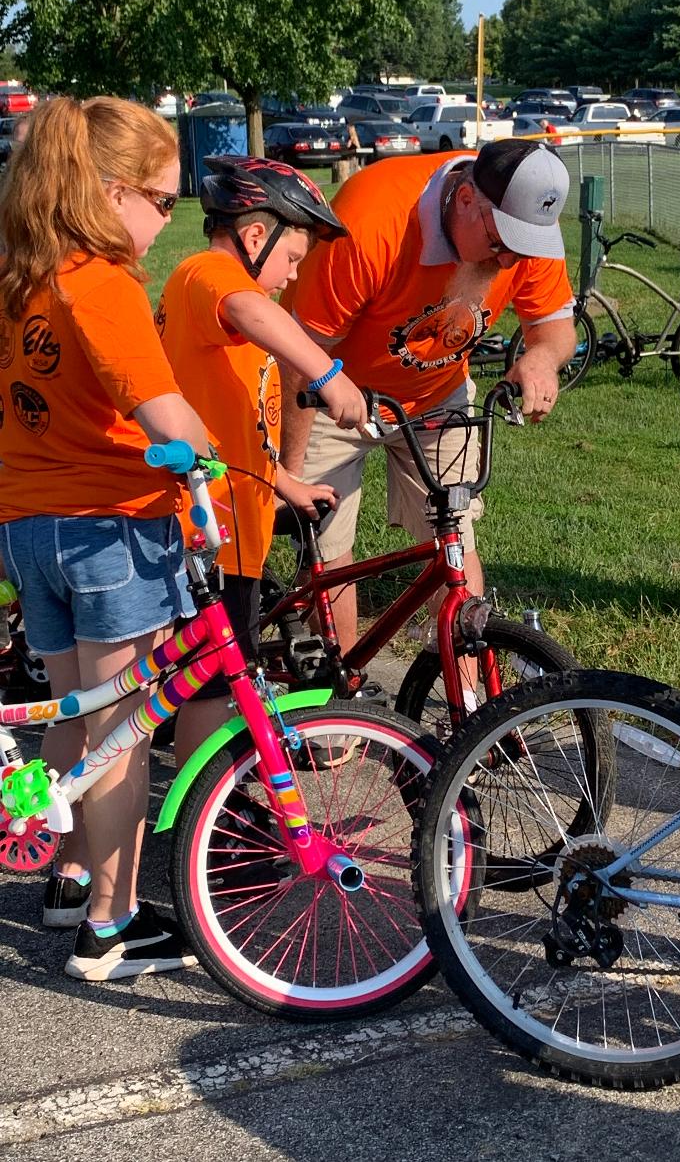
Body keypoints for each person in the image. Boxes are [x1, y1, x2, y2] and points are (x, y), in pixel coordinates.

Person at [0, 96, 210, 980]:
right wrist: (209, 452)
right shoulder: (102, 282)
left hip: (28, 526)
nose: (165, 222)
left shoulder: (21, 278)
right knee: (124, 733)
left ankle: (68, 871)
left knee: (71, 715)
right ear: (111, 191)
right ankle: (111, 924)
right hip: (112, 529)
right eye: (161, 201)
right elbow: (166, 415)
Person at [279, 138, 576, 660]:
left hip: (438, 394)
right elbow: (298, 354)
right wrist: (291, 471)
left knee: (454, 542)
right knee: (327, 547)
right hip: (330, 392)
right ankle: (339, 694)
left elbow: (555, 329)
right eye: (500, 242)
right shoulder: (372, 220)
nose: (510, 259)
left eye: (524, 247)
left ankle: (472, 702)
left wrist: (542, 358)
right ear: (465, 199)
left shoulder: (526, 230)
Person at [155, 156, 366, 767]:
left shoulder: (222, 300)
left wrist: (285, 482)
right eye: (292, 258)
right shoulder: (207, 275)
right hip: (207, 534)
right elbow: (253, 310)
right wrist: (328, 373)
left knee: (227, 674)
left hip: (234, 531)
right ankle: (202, 804)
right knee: (213, 684)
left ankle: (210, 793)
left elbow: (230, 426)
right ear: (253, 237)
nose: (292, 275)